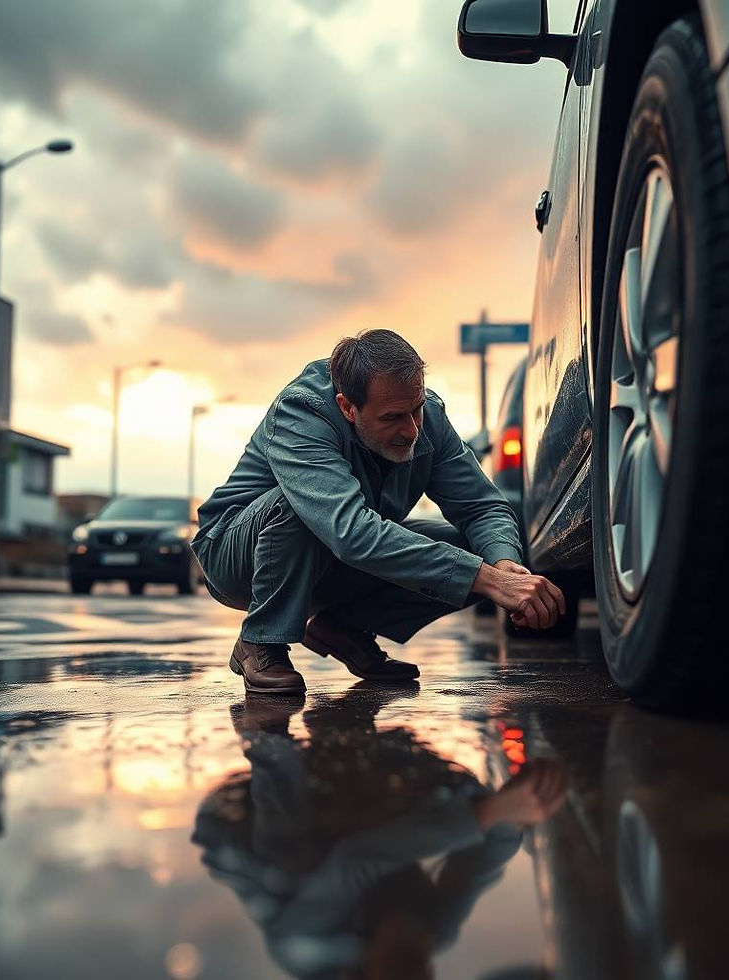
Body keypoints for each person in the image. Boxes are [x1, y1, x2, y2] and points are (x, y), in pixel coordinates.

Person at [192, 329, 566, 695]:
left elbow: (483, 507)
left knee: (478, 552)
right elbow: (350, 532)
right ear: (347, 407)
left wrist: (505, 569)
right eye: (392, 418)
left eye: (416, 410)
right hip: (237, 557)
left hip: (333, 558)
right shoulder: (302, 410)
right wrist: (488, 580)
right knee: (300, 507)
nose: (411, 430)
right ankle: (261, 642)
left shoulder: (428, 418)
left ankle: (341, 627)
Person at [191, 688, 566, 979]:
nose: (412, 957)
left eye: (395, 970)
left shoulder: (307, 941)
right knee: (462, 803)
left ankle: (266, 739)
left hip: (235, 824)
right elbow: (487, 855)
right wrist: (526, 802)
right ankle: (349, 741)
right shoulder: (434, 932)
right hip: (344, 819)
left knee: (289, 866)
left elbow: (355, 861)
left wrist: (494, 812)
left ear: (356, 974)